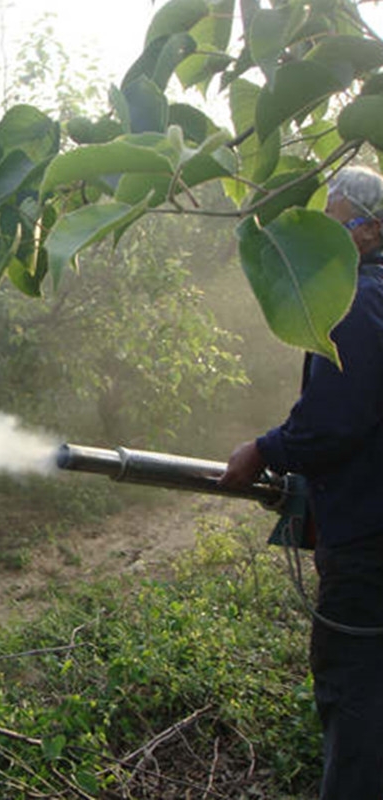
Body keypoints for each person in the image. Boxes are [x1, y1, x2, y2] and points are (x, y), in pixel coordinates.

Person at [219, 165, 383, 800]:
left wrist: (265, 449)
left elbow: (333, 423)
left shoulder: (353, 302)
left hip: (369, 548)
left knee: (359, 700)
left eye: (336, 221)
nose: (325, 236)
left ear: (370, 230)